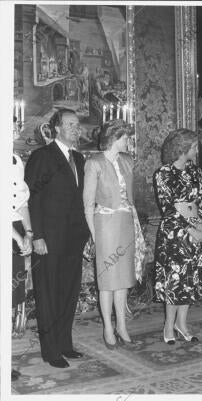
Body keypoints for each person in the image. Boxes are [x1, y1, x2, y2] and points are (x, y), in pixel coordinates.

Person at [24, 108, 89, 368]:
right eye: (70, 125)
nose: (76, 129)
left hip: (74, 238)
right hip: (48, 239)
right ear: (57, 129)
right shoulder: (42, 157)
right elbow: (33, 199)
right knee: (48, 294)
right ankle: (50, 351)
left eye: (78, 125)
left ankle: (64, 344)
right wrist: (37, 235)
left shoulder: (80, 159)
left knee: (68, 292)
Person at [83, 119, 145, 349]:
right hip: (104, 225)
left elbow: (131, 198)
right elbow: (88, 204)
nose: (129, 141)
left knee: (123, 279)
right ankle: (108, 328)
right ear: (114, 139)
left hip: (125, 222)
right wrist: (94, 234)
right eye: (126, 138)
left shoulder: (128, 161)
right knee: (107, 280)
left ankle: (122, 326)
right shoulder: (94, 163)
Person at [153, 128, 202, 344]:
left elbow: (200, 203)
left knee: (190, 280)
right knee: (175, 281)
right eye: (194, 146)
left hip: (196, 230)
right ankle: (168, 326)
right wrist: (191, 230)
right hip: (175, 234)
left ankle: (182, 323)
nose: (197, 150)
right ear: (183, 148)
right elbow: (168, 209)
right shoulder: (163, 174)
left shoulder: (195, 171)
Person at [12, 116, 33, 380]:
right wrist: (17, 239)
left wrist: (28, 233)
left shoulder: (16, 161)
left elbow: (22, 202)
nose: (15, 131)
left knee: (12, 298)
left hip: (16, 230)